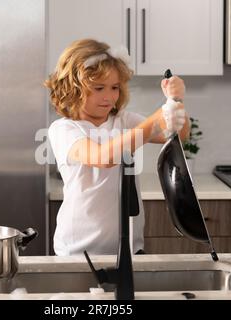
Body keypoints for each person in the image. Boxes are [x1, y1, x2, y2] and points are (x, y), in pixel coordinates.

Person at [45, 39, 189, 256]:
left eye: (114, 88)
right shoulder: (64, 129)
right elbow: (102, 157)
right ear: (72, 88)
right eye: (98, 88)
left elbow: (177, 136)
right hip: (78, 251)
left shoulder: (123, 120)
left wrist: (175, 101)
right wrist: (154, 121)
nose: (109, 96)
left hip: (130, 247)